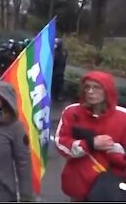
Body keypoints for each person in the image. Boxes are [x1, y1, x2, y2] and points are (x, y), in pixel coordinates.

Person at [55, 71, 126, 201]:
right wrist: (89, 144)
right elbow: (61, 144)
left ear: (107, 90)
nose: (90, 91)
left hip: (110, 188)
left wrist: (114, 151)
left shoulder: (123, 117)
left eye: (96, 87)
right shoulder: (72, 112)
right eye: (87, 87)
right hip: (78, 183)